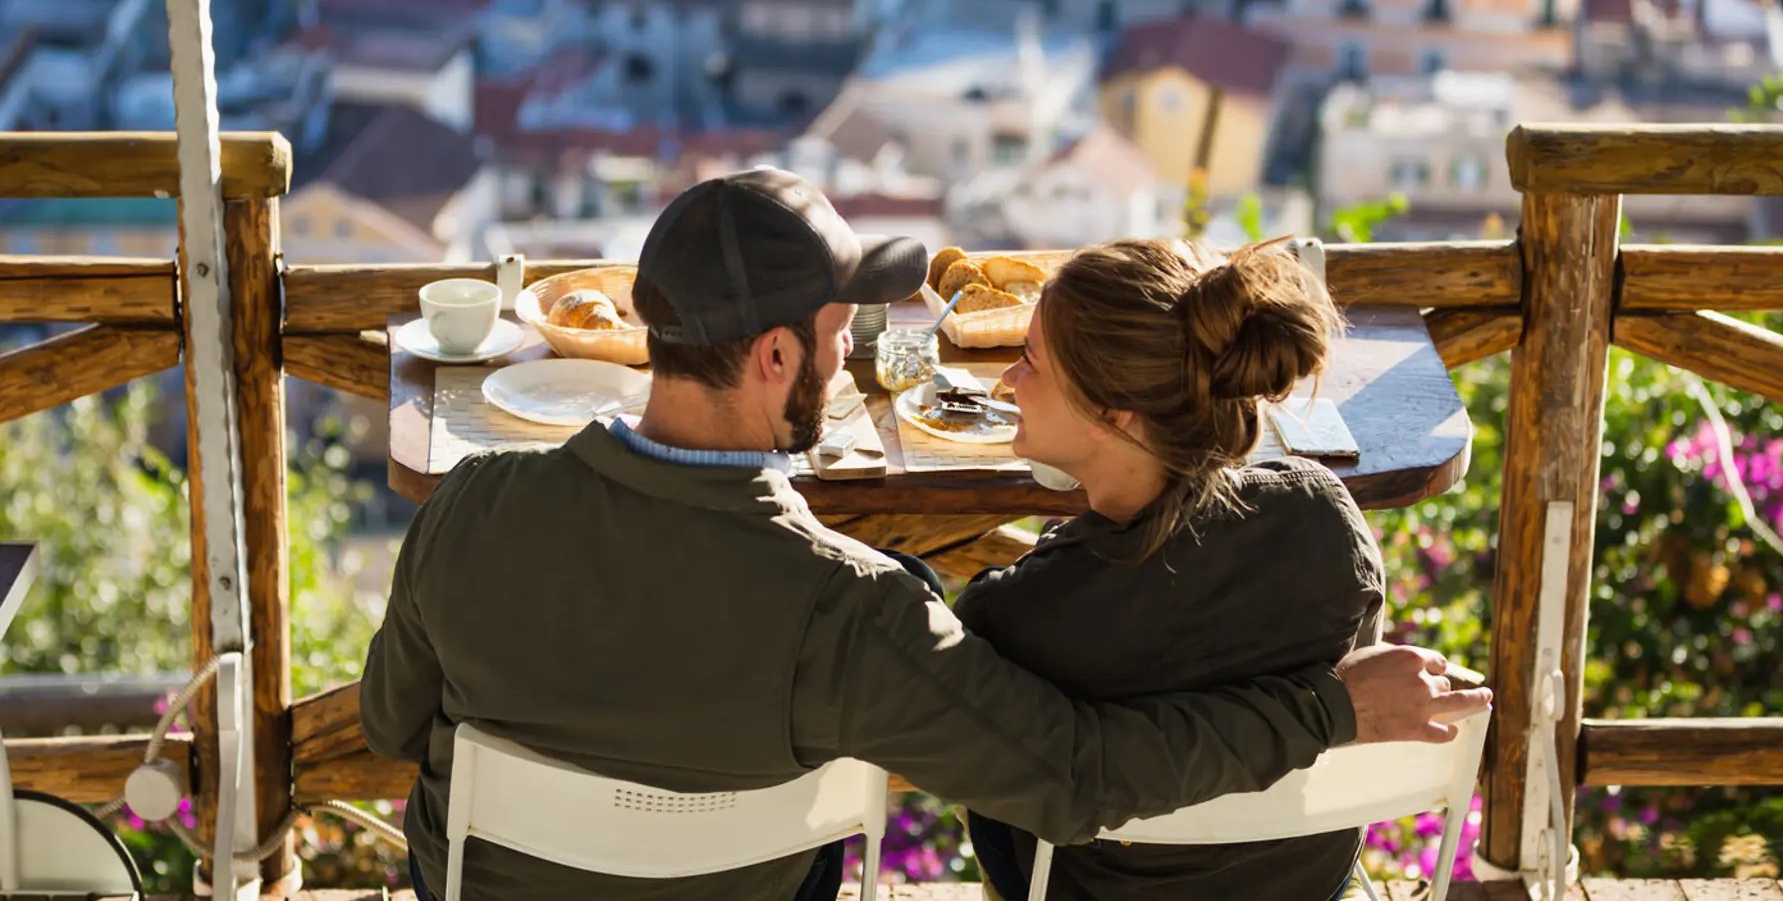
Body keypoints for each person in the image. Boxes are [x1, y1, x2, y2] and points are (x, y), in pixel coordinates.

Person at [360, 169, 1491, 901]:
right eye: (840, 329)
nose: (853, 349)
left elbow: (389, 721)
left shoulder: (470, 509)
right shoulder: (857, 615)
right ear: (777, 358)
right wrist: (1331, 709)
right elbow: (1076, 776)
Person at [956, 237, 1398, 901]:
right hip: (1305, 883)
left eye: (1030, 361)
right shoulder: (1324, 518)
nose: (1007, 381)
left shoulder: (1022, 612)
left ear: (1110, 411)